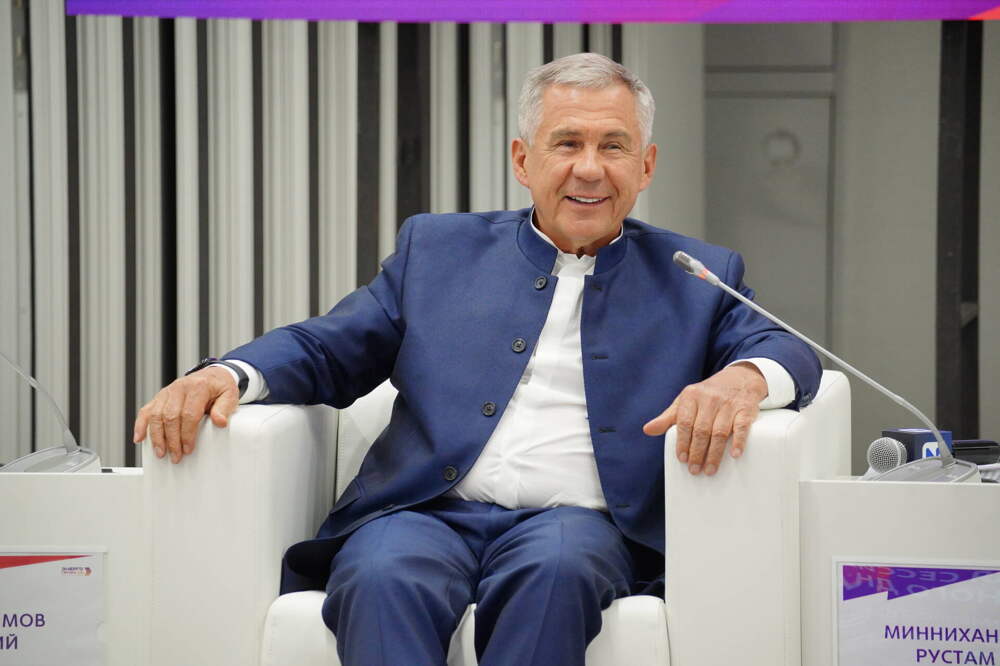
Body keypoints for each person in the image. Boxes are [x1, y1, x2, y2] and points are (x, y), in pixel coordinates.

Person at [133, 53, 821, 666]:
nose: (589, 167)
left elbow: (785, 347)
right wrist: (226, 374)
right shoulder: (439, 251)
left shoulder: (694, 273)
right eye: (567, 143)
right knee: (379, 575)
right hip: (425, 510)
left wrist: (743, 378)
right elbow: (329, 345)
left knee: (556, 573)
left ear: (645, 165)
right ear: (523, 160)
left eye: (613, 146)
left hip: (578, 524)